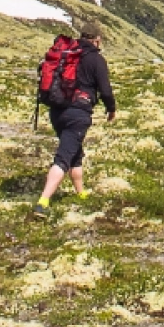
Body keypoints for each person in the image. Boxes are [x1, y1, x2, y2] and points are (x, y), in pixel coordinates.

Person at [39, 22, 115, 208]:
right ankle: (43, 201)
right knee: (64, 157)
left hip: (57, 111)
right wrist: (111, 108)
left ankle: (81, 193)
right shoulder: (96, 60)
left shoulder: (68, 54)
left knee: (74, 152)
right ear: (97, 40)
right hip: (78, 113)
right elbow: (105, 90)